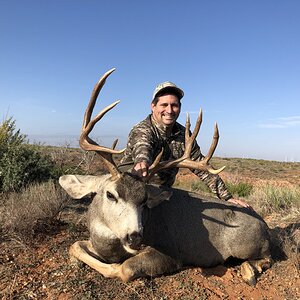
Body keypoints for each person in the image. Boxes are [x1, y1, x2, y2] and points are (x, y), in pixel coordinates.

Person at [119, 81, 251, 208]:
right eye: (164, 105)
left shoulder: (184, 135)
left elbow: (201, 166)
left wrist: (227, 197)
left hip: (160, 195)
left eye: (174, 105)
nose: (169, 110)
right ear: (153, 106)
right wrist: (142, 161)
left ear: (180, 108)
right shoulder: (143, 129)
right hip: (127, 190)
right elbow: (142, 146)